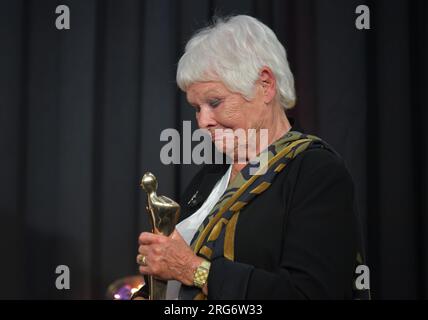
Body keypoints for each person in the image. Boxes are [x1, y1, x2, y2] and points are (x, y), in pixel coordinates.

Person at [135, 15, 369, 300]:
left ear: (266, 85)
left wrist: (193, 269)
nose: (202, 121)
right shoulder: (209, 177)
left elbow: (310, 295)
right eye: (196, 107)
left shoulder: (316, 173)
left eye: (214, 102)